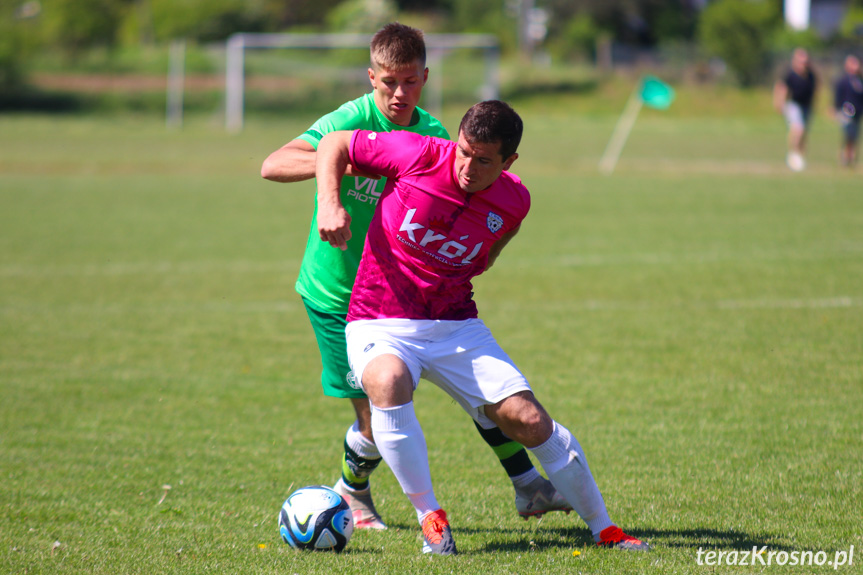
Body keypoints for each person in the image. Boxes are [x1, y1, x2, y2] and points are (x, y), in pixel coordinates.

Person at [260, 23, 569, 531]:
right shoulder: (352, 118)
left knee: (481, 391)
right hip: (339, 292)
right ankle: (353, 492)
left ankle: (528, 485)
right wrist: (353, 173)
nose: (399, 93)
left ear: (425, 77)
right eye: (388, 82)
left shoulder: (432, 134)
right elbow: (274, 164)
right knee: (375, 413)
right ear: (371, 77)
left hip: (408, 295)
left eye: (410, 81)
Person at [315, 100, 650, 555]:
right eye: (464, 151)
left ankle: (606, 530)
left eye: (484, 160)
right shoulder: (417, 154)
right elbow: (335, 143)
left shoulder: (516, 200)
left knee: (530, 421)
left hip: (455, 326)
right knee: (388, 381)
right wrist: (329, 205)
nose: (468, 167)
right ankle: (431, 519)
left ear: (509, 162)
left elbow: (490, 253)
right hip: (380, 318)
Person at [774, 47, 817, 172]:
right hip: (794, 105)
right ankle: (793, 154)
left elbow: (815, 90)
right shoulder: (790, 74)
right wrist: (779, 103)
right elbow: (781, 88)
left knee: (804, 132)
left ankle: (800, 156)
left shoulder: (811, 76)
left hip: (806, 106)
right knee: (798, 129)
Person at [833, 54, 863, 168]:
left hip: (858, 113)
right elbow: (838, 96)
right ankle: (845, 157)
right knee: (848, 135)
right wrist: (835, 110)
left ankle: (852, 159)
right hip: (845, 113)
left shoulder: (860, 80)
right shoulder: (843, 80)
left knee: (855, 137)